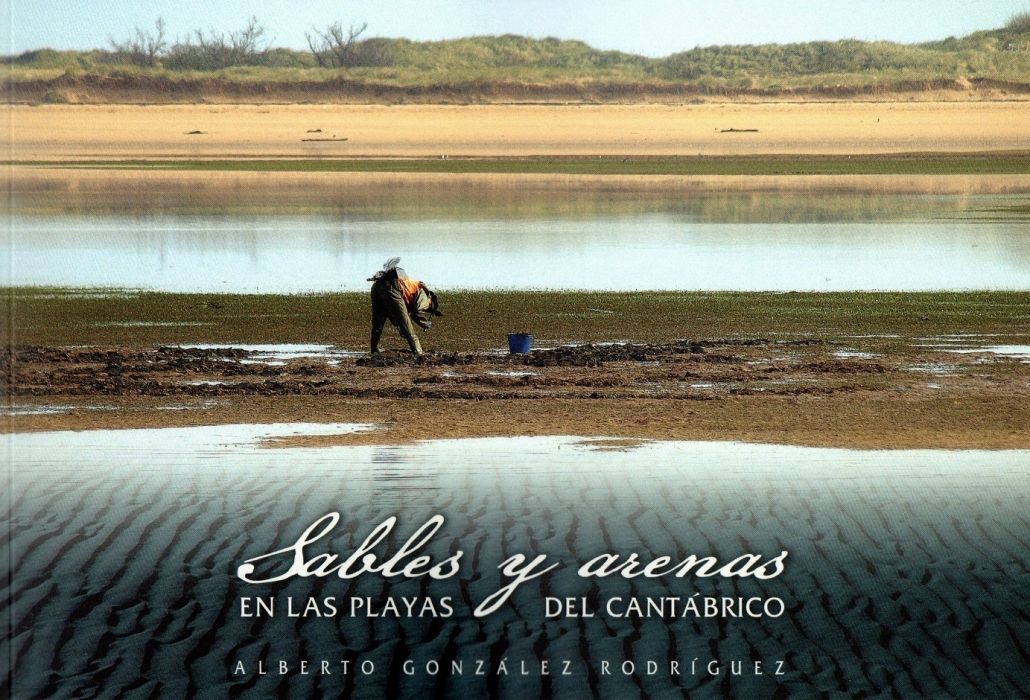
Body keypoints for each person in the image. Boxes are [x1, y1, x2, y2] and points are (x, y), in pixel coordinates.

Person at [368, 258, 442, 355]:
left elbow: (405, 311)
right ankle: (418, 351)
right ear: (431, 301)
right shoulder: (426, 297)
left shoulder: (415, 285)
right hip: (392, 287)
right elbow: (415, 310)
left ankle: (374, 349)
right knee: (406, 326)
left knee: (378, 321)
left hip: (377, 286)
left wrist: (423, 322)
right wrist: (425, 323)